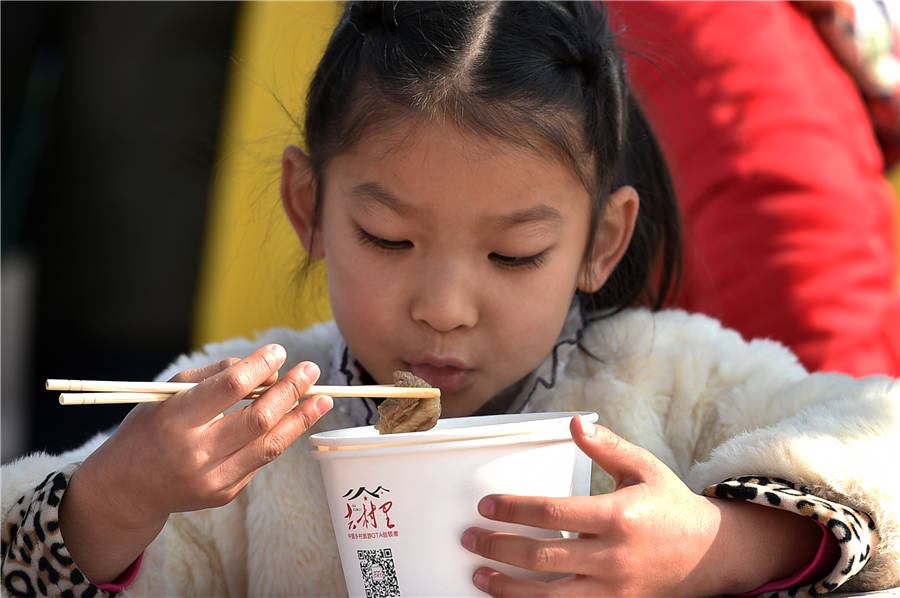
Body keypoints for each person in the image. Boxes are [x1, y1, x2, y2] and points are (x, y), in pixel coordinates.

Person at [2, 2, 898, 596]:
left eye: (515, 254)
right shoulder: (243, 429)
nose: (443, 307)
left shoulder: (672, 380)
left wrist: (716, 544)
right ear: (308, 207)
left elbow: (878, 444)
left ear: (602, 242)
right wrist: (115, 502)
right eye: (388, 241)